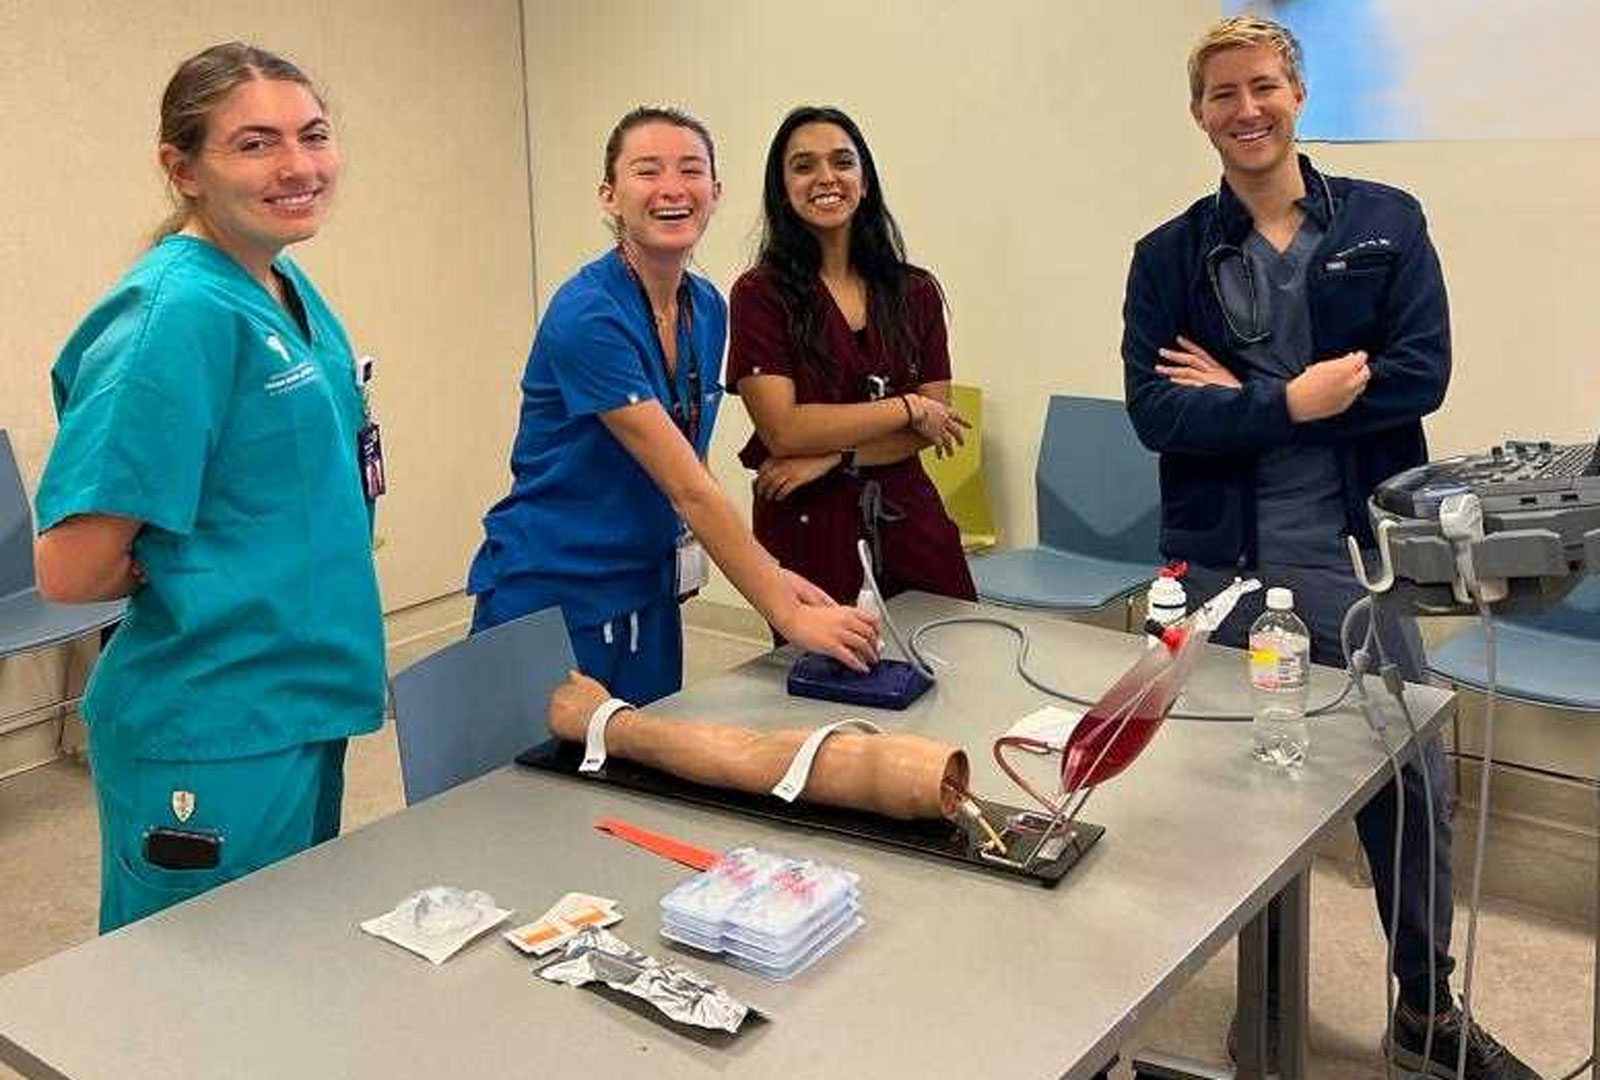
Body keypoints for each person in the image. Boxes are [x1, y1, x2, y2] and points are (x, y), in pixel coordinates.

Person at [1121, 16, 1538, 1079]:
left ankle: (1422, 1012)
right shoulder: (1166, 258)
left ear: (1298, 94)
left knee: (1412, 780)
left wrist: (1261, 402)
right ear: (1195, 114)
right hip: (1221, 564)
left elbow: (1417, 377)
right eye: (1222, 93)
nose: (1245, 109)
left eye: (1262, 86)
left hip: (1355, 559)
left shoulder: (1385, 224)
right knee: (1235, 798)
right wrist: (1293, 396)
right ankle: (1260, 1003)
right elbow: (1157, 415)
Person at [33, 43, 386, 932]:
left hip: (296, 694)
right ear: (181, 168)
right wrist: (178, 568)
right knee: (200, 999)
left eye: (313, 135)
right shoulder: (173, 317)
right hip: (214, 716)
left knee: (286, 964)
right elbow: (71, 571)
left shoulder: (277, 281)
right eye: (256, 144)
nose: (299, 166)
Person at [468, 107, 877, 705]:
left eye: (691, 170)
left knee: (640, 787)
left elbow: (692, 465)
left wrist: (773, 575)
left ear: (715, 192)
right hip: (556, 594)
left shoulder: (706, 307)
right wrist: (785, 613)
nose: (671, 189)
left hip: (649, 590)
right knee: (537, 792)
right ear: (609, 195)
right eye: (646, 170)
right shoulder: (589, 316)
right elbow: (688, 488)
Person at [726, 105, 975, 615]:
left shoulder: (915, 291)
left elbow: (937, 422)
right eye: (803, 166)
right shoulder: (759, 295)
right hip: (808, 530)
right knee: (829, 682)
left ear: (864, 181)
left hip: (910, 518)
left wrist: (836, 455)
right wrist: (907, 407)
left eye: (842, 162)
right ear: (783, 187)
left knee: (958, 659)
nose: (826, 178)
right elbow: (785, 432)